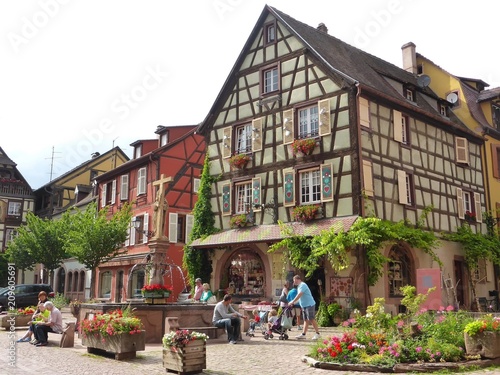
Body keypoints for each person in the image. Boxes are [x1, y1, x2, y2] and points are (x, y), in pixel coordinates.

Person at [288, 274, 320, 340]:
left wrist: (293, 301)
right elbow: (300, 298)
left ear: (298, 279)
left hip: (309, 305)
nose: (294, 282)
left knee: (311, 319)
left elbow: (300, 294)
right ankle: (303, 334)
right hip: (304, 306)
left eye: (295, 281)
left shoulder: (302, 285)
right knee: (305, 320)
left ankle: (317, 334)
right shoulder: (299, 286)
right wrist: (293, 303)